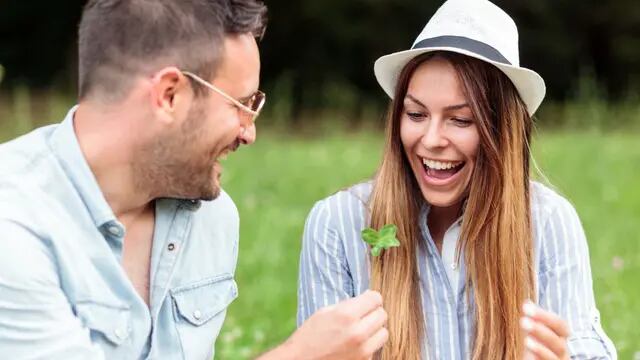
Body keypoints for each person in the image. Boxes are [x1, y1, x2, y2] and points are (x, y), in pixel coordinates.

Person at [0, 0, 388, 359]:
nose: (249, 133)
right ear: (169, 95)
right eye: (243, 106)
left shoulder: (213, 219)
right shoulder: (14, 224)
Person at [297, 0, 617, 359]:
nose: (431, 139)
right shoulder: (339, 225)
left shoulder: (548, 223)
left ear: (502, 132)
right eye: (416, 114)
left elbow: (584, 348)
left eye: (460, 120)